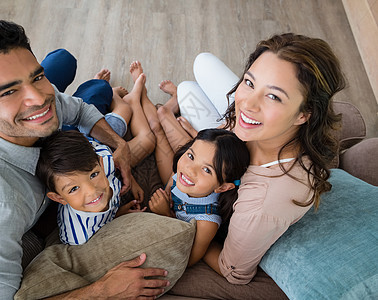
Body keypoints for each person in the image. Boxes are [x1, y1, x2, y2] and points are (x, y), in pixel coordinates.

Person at [0, 18, 168, 298]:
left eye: (37, 76)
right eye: (9, 91)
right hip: (47, 155)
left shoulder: (40, 101)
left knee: (65, 61)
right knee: (98, 90)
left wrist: (119, 145)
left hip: (58, 144)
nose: (38, 98)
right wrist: (103, 291)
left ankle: (60, 72)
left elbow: (80, 111)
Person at [157, 33, 345, 285]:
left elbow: (233, 272)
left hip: (232, 157)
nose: (246, 103)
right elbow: (239, 112)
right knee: (198, 68)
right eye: (249, 82)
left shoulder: (261, 206)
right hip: (229, 136)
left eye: (274, 96)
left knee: (187, 91)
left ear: (303, 115)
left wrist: (201, 233)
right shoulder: (261, 124)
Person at [148, 128, 250, 266]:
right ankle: (159, 128)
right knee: (156, 132)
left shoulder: (207, 222)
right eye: (191, 156)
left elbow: (188, 259)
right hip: (174, 204)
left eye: (207, 170)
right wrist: (165, 194)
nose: (190, 169)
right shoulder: (183, 173)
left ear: (223, 187)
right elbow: (173, 179)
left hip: (180, 227)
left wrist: (166, 214)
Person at [37, 132, 147, 245]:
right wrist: (118, 217)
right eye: (74, 189)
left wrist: (130, 180)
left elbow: (108, 156)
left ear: (102, 165)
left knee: (148, 140)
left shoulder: (107, 160)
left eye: (93, 175)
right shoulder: (80, 236)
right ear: (59, 198)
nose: (91, 191)